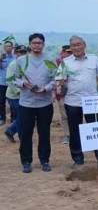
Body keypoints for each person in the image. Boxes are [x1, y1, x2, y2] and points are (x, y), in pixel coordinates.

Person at [56, 36, 98, 166]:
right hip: (72, 102)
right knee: (74, 132)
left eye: (79, 44)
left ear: (84, 45)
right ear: (70, 47)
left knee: (96, 131)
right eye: (73, 45)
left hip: (93, 102)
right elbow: (59, 83)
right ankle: (78, 159)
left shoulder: (94, 59)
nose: (76, 47)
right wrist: (60, 85)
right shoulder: (65, 62)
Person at [15, 33, 55, 173]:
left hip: (45, 103)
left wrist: (46, 88)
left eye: (39, 43)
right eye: (34, 43)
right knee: (25, 133)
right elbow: (14, 79)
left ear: (43, 44)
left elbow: (55, 79)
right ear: (30, 44)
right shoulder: (21, 60)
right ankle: (26, 161)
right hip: (26, 104)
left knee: (44, 133)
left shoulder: (49, 60)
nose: (37, 45)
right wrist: (23, 83)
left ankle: (44, 160)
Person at [4, 45, 26, 142]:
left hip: (23, 95)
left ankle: (15, 132)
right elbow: (9, 81)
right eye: (19, 52)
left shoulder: (25, 63)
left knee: (22, 116)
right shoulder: (13, 64)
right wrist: (18, 92)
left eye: (24, 52)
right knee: (22, 116)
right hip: (14, 96)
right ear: (16, 53)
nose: (21, 54)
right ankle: (11, 131)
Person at [54, 46, 73, 144]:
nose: (69, 54)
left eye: (71, 52)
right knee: (64, 115)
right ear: (62, 52)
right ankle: (67, 135)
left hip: (74, 94)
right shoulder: (57, 63)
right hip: (62, 93)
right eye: (67, 52)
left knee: (74, 115)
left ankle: (74, 134)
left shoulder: (74, 62)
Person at [0, 39, 15, 126]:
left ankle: (13, 118)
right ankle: (2, 118)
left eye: (10, 46)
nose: (8, 47)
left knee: (12, 102)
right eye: (7, 46)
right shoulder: (1, 57)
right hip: (2, 82)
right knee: (1, 102)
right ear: (4, 47)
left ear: (12, 47)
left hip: (12, 83)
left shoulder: (15, 58)